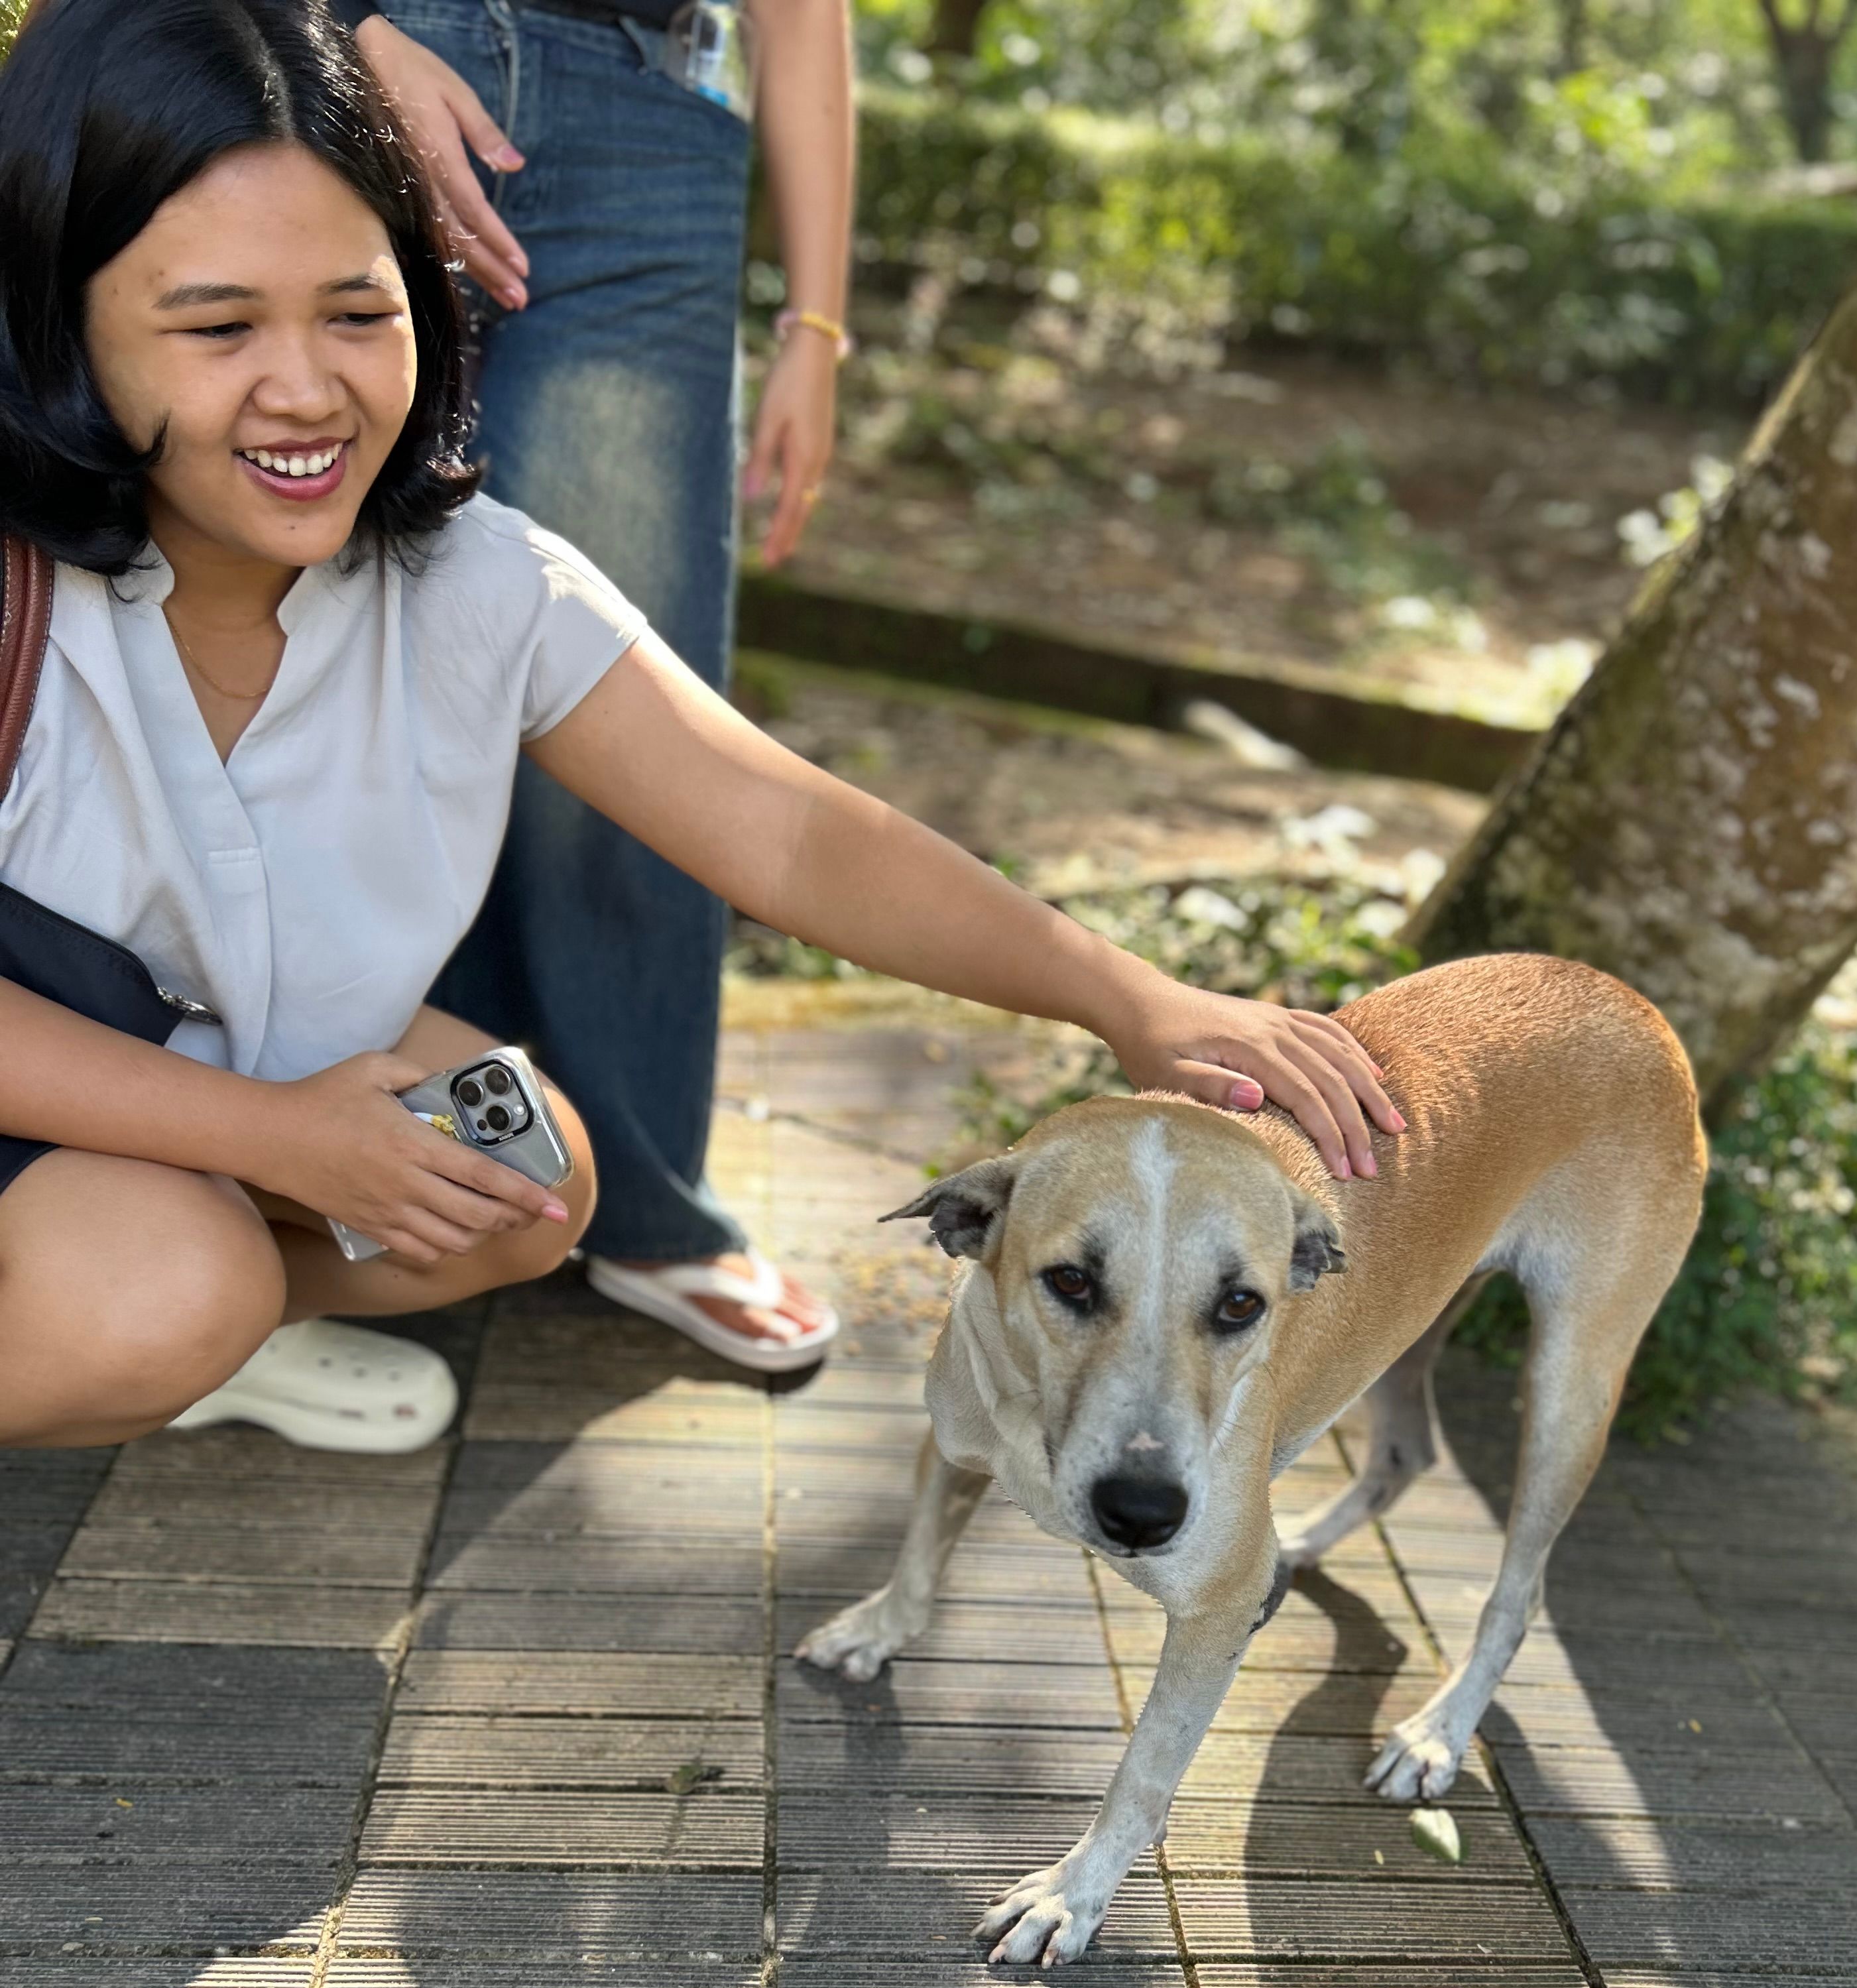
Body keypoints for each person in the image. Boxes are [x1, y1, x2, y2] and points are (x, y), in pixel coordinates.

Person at [0, 0, 1402, 1456]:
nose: (307, 388)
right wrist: (277, 1144)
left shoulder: (472, 581)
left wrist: (1132, 1001)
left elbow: (785, 830)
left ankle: (178, 1338)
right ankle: (151, 1326)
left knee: (526, 1174)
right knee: (168, 1286)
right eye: (219, 326)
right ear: (60, 315)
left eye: (359, 312)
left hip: (172, 1042)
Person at [333, 0, 852, 1382]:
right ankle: (366, 1164)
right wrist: (340, 35)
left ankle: (639, 1202)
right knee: (339, 627)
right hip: (369, 58)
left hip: (648, 118)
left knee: (637, 663)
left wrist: (818, 322)